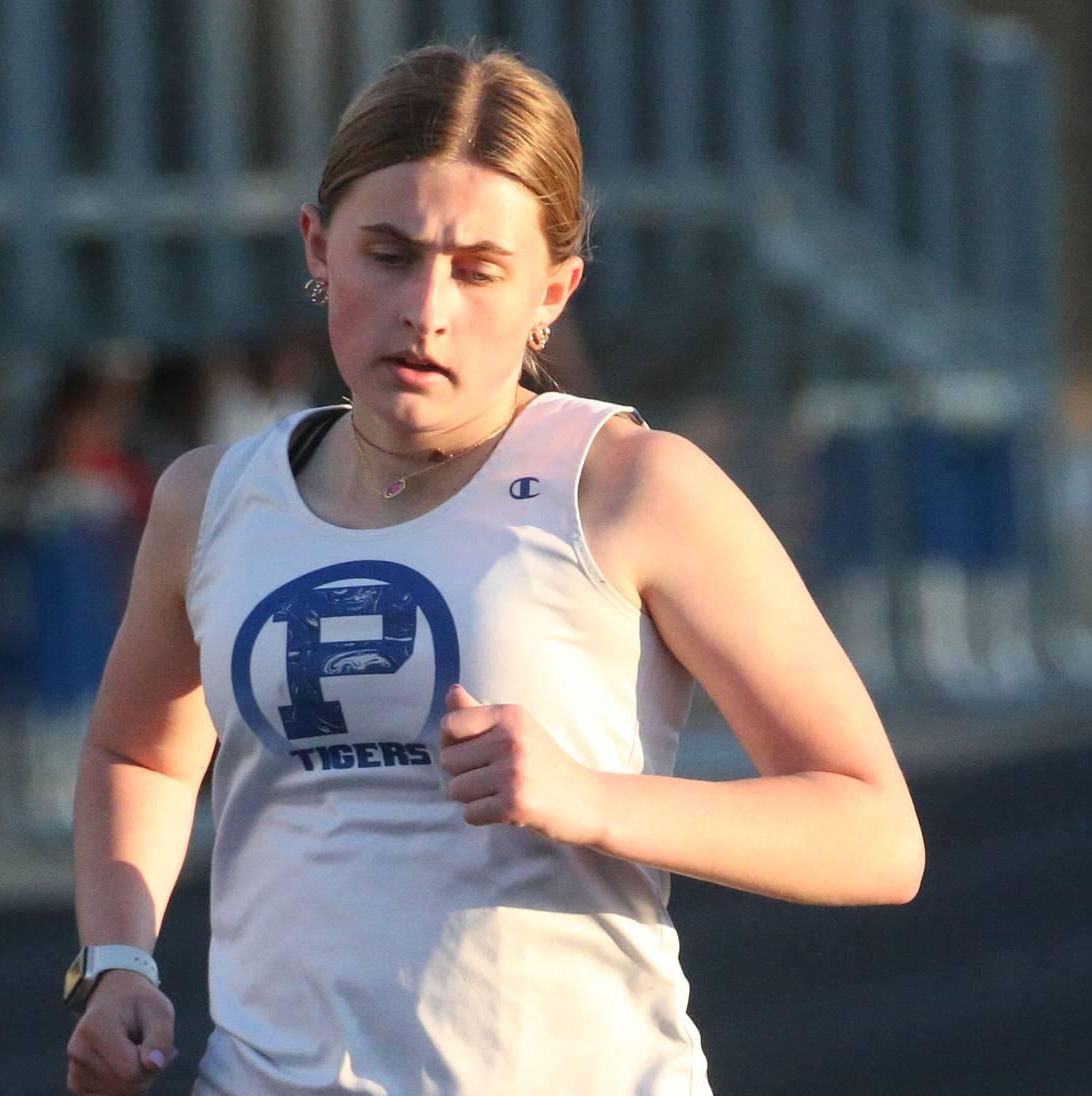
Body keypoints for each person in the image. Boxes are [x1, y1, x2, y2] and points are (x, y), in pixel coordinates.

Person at [64, 43, 924, 1096]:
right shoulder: (212, 499)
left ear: (552, 290)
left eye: (478, 269)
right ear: (318, 246)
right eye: (389, 252)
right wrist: (117, 959)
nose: (427, 308)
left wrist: (589, 799)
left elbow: (876, 832)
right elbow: (140, 755)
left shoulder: (632, 488)